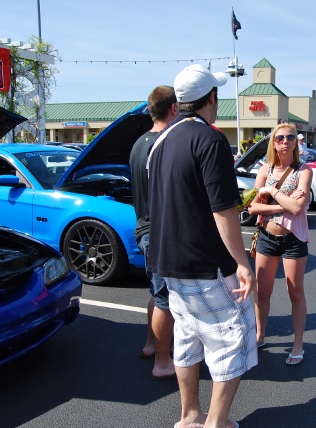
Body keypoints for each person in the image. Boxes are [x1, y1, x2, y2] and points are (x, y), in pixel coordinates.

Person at [146, 64, 257, 428]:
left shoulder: (160, 141)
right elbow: (223, 210)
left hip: (167, 263)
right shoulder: (210, 140)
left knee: (188, 337)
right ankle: (216, 423)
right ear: (212, 97)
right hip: (206, 264)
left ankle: (190, 416)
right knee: (233, 338)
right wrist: (242, 263)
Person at [247, 123, 312, 365]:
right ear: (273, 143)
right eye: (280, 138)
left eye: (290, 137)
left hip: (293, 239)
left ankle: (298, 344)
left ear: (296, 142)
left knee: (295, 292)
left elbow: (297, 208)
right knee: (262, 291)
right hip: (267, 237)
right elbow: (252, 207)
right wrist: (282, 204)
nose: (285, 141)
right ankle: (260, 335)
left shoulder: (303, 171)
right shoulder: (265, 169)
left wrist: (271, 192)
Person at [129, 85, 177, 380]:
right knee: (165, 300)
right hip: (159, 234)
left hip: (145, 229)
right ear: (173, 108)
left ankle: (150, 345)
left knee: (156, 293)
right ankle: (162, 362)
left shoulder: (139, 143)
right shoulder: (163, 144)